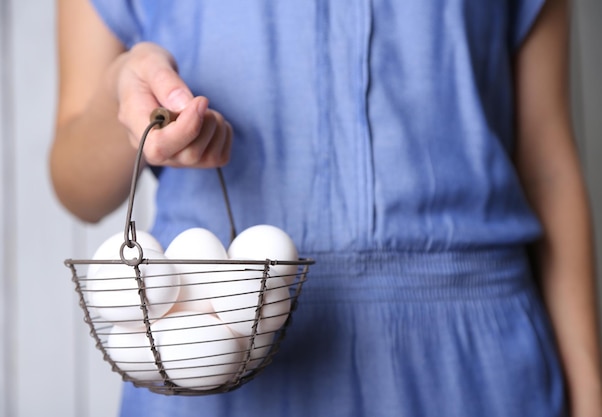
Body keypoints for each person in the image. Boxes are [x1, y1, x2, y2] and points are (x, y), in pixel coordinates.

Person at [49, 0, 602, 416]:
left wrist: (590, 393)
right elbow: (76, 185)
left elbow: (546, 167)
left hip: (477, 363)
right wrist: (120, 91)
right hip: (213, 348)